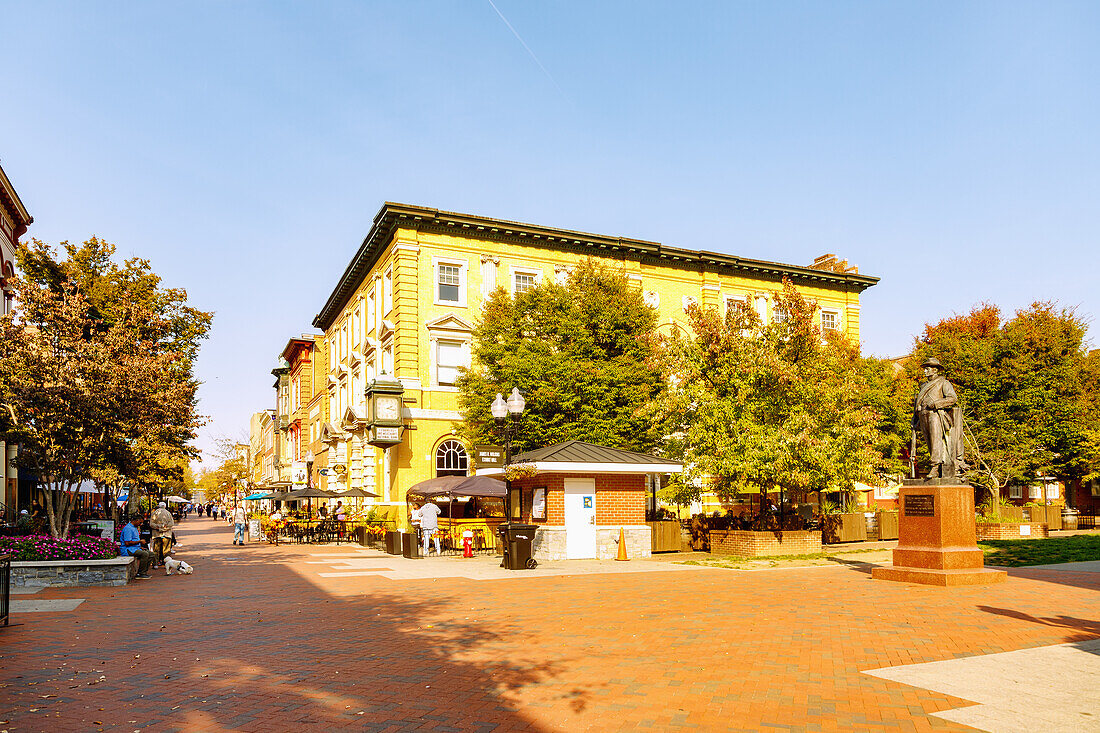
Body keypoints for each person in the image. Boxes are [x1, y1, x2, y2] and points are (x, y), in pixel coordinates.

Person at [912, 357, 967, 479]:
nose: (925, 371)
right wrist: (916, 419)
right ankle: (935, 465)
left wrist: (937, 404)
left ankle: (935, 467)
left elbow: (952, 398)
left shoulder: (944, 383)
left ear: (935, 370)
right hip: (922, 415)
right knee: (929, 443)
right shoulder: (923, 386)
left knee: (936, 440)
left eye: (927, 369)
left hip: (935, 414)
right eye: (925, 369)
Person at [149, 501, 175, 568]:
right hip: (166, 534)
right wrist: (164, 528)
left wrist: (158, 527)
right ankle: (166, 563)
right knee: (166, 550)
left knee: (156, 550)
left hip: (156, 534)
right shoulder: (168, 513)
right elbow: (171, 524)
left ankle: (155, 564)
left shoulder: (154, 513)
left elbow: (151, 524)